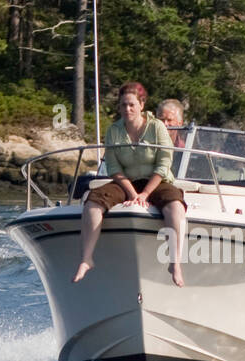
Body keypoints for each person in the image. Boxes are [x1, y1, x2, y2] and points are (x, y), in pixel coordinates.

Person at [74, 82, 188, 286]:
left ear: (141, 105)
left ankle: (175, 263)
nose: (127, 109)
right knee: (93, 201)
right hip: (125, 182)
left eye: (132, 105)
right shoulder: (114, 131)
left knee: (175, 205)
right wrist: (132, 193)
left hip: (156, 181)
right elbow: (114, 167)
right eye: (123, 105)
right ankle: (86, 258)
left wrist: (144, 194)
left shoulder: (157, 127)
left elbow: (163, 164)